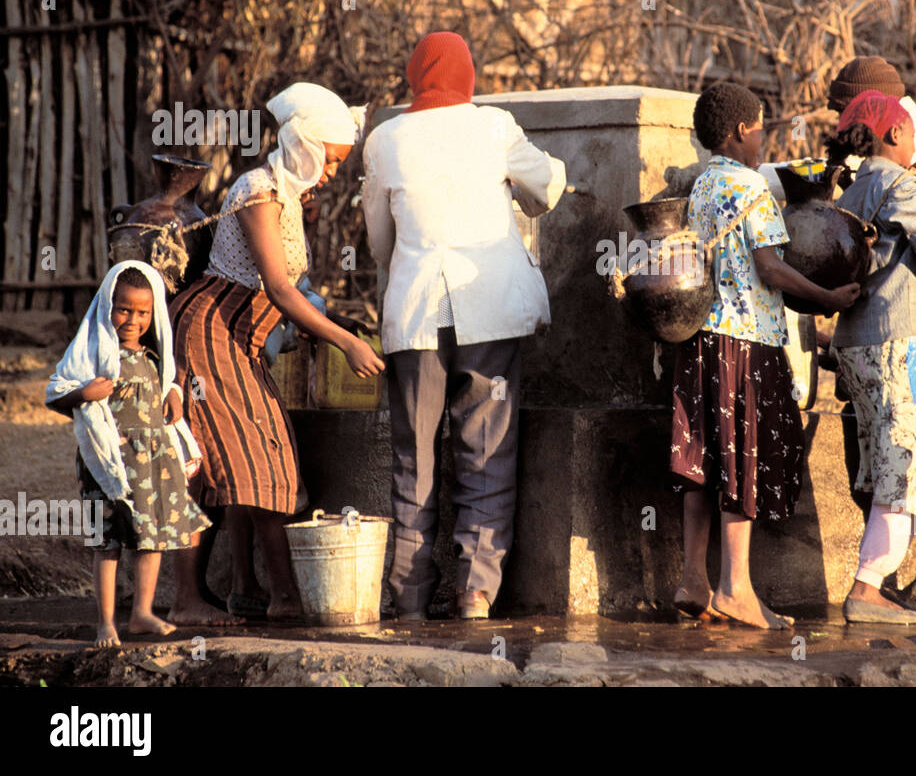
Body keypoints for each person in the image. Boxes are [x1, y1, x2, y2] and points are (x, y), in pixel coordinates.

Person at [363, 32, 566, 621]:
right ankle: (475, 589)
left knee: (413, 455)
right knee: (486, 449)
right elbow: (548, 187)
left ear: (413, 77)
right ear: (469, 76)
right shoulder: (495, 127)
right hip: (488, 311)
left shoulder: (384, 139)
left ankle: (409, 595)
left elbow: (379, 242)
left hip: (416, 318)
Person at [171, 82, 382, 623]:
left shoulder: (287, 197)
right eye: (331, 159)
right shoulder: (256, 192)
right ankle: (222, 599)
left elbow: (294, 287)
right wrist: (346, 341)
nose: (333, 172)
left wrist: (331, 320)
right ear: (305, 145)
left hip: (243, 339)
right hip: (211, 332)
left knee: (255, 463)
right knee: (253, 463)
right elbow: (282, 289)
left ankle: (259, 594)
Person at [671, 82, 859, 630]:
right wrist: (826, 300)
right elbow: (770, 268)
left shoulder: (702, 185)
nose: (763, 143)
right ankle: (735, 589)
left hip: (700, 340)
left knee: (703, 455)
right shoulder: (751, 187)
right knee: (741, 459)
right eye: (761, 130)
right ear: (742, 131)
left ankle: (692, 577)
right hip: (745, 343)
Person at [829, 91, 916, 624]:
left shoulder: (854, 188)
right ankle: (867, 587)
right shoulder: (904, 185)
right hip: (897, 340)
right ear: (899, 135)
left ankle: (871, 584)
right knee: (904, 465)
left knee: (883, 460)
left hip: (854, 342)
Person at [46, 262, 212, 647]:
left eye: (142, 312)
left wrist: (174, 394)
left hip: (152, 464)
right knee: (107, 543)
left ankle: (142, 613)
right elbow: (56, 391)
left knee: (149, 540)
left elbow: (168, 385)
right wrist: (82, 394)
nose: (132, 319)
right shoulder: (93, 353)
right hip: (110, 465)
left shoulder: (155, 355)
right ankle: (106, 622)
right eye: (124, 309)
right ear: (107, 306)